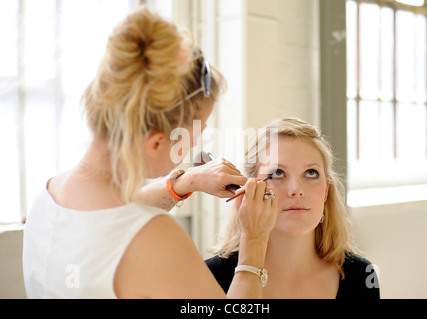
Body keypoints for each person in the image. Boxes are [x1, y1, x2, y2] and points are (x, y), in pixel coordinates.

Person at [22, 7, 277, 299]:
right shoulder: (156, 238)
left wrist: (184, 182)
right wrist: (254, 242)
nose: (193, 144)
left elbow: (111, 224)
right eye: (194, 134)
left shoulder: (49, 197)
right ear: (156, 142)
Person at [206, 117, 380, 299]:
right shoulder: (210, 277)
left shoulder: (361, 275)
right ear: (248, 188)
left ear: (326, 190)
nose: (296, 190)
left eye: (311, 173)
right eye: (278, 173)